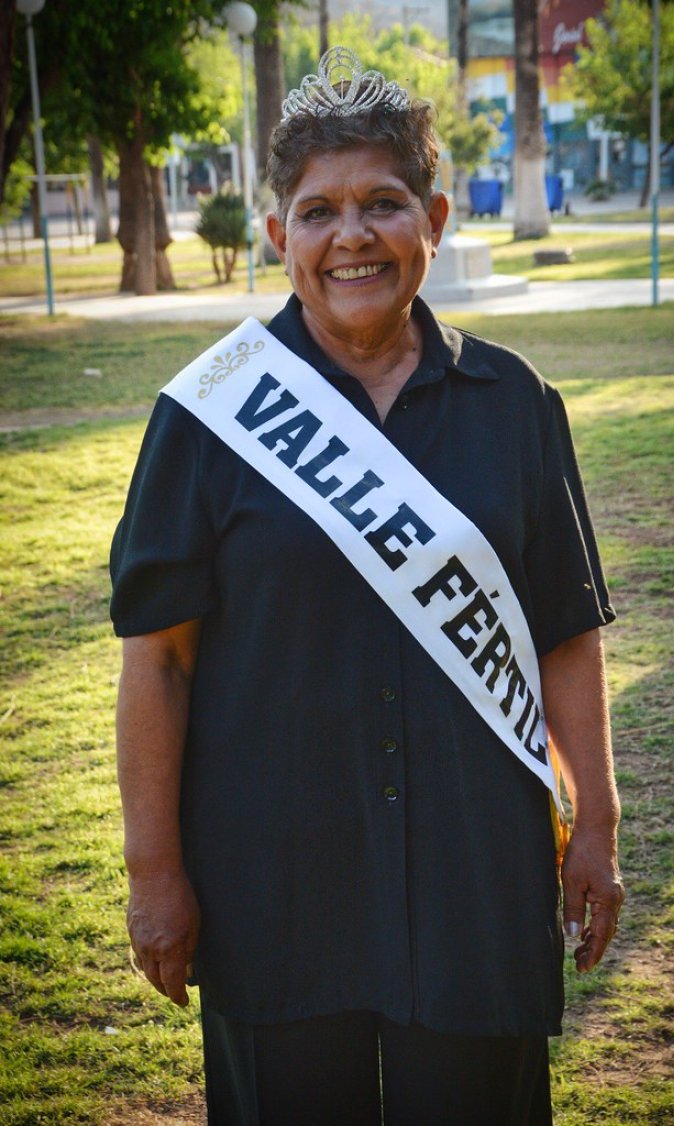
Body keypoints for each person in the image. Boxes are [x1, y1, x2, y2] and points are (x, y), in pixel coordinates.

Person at [111, 46, 624, 1126]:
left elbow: (564, 629)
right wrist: (154, 870)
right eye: (318, 210)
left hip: (474, 877)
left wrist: (600, 825)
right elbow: (158, 657)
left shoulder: (516, 404)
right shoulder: (206, 418)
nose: (352, 235)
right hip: (273, 881)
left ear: (433, 219)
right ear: (276, 235)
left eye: (384, 203)